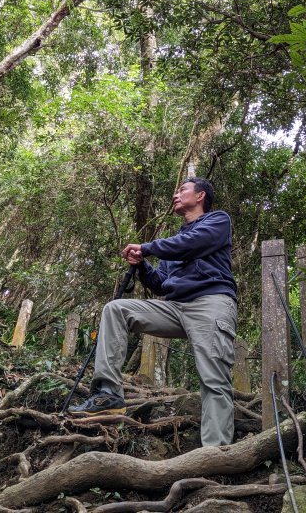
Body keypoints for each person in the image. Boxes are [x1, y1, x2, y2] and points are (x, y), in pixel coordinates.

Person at [69, 177, 237, 446]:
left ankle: (214, 453)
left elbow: (193, 243)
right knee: (116, 310)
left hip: (210, 303)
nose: (176, 194)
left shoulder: (217, 221)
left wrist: (146, 247)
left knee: (213, 378)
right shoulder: (176, 241)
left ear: (201, 195)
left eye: (182, 189)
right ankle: (109, 395)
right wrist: (142, 265)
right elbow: (160, 284)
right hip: (175, 307)